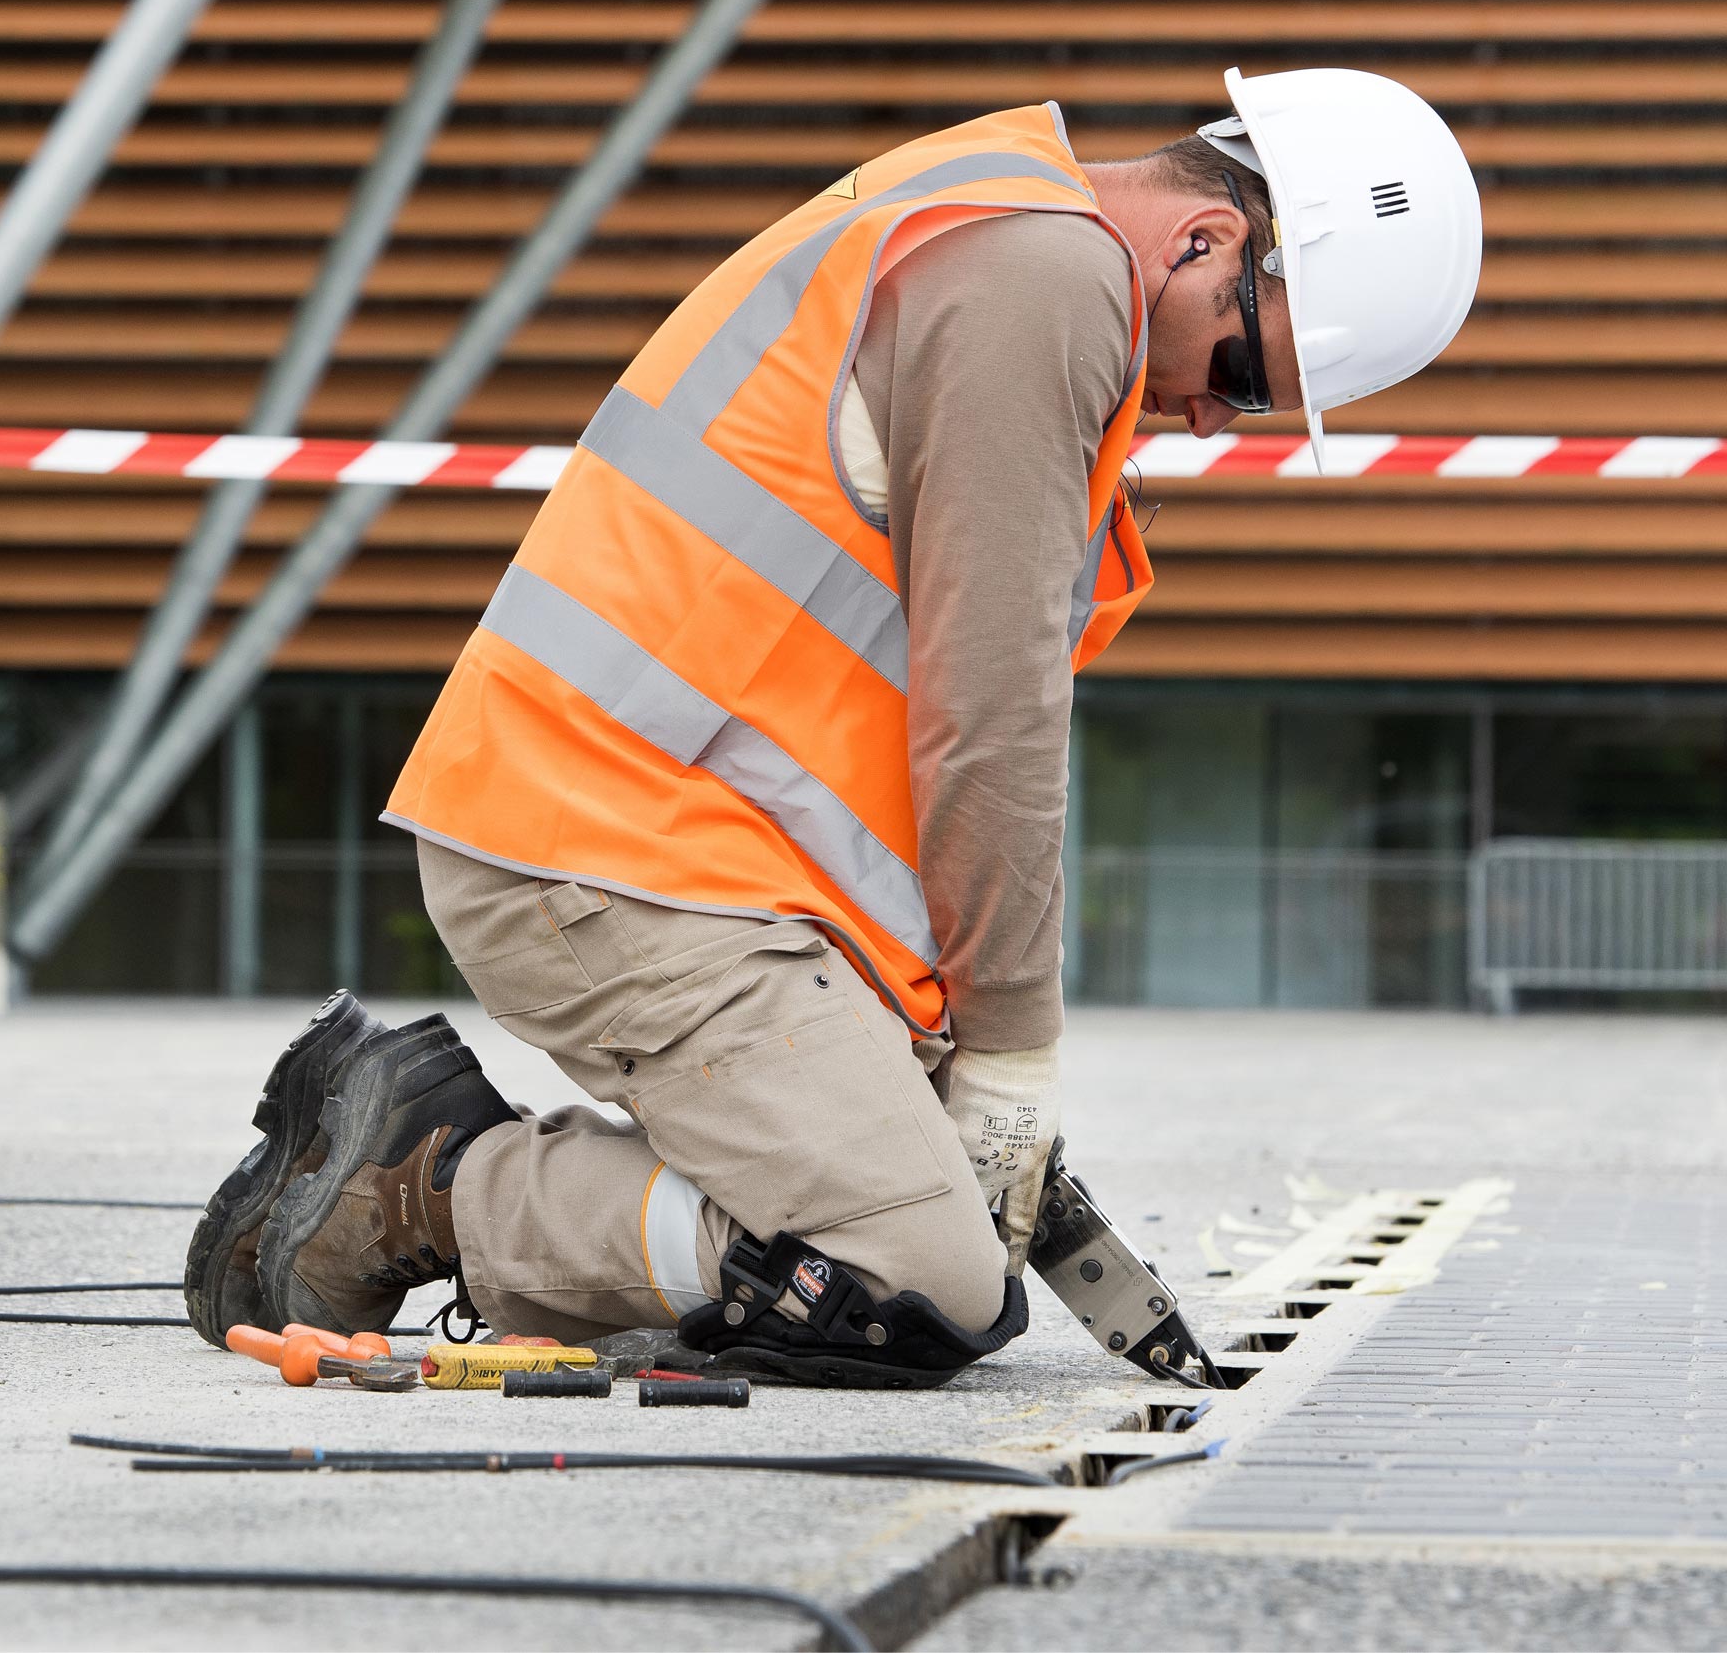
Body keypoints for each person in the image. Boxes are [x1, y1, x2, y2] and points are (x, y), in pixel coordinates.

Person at [186, 68, 1483, 1384]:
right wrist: (1013, 1055)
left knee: (926, 1255)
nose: (1211, 415)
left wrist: (942, 1074)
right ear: (1209, 241)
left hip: (660, 852)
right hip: (601, 856)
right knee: (908, 1279)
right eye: (1249, 372)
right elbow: (992, 718)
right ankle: (428, 1183)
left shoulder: (995, 226)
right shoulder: (1047, 284)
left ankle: (453, 1166)